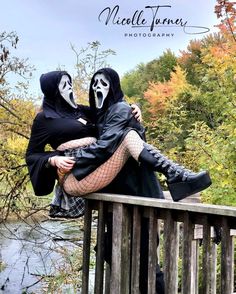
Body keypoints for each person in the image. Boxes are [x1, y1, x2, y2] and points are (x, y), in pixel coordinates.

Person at [25, 70, 165, 293]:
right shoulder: (44, 119)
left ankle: (118, 257)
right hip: (78, 172)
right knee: (120, 246)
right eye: (63, 85)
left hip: (105, 173)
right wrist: (52, 160)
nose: (70, 88)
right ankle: (173, 173)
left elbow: (112, 108)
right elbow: (32, 154)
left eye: (70, 83)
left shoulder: (83, 111)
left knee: (136, 250)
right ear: (53, 90)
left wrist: (136, 107)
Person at [59, 67, 212, 202]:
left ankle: (176, 173)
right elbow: (70, 110)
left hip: (132, 179)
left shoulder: (120, 109)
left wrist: (75, 161)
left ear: (113, 87)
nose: (97, 87)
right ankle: (176, 174)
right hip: (115, 179)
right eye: (95, 83)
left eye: (103, 83)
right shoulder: (99, 113)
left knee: (129, 135)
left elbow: (105, 144)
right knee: (120, 230)